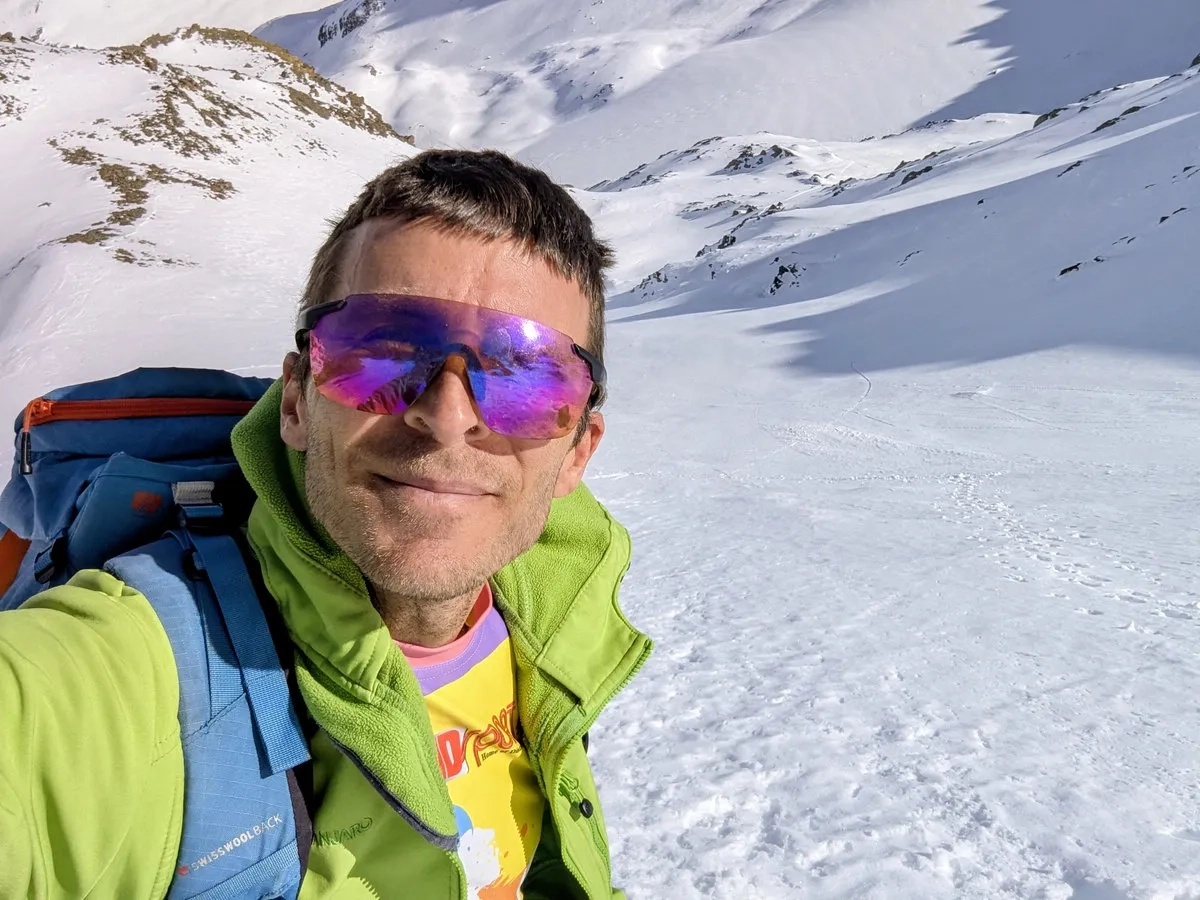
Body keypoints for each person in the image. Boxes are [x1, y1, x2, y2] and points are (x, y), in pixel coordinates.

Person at [0, 149, 652, 899]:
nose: (447, 417)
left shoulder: (550, 630)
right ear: (296, 403)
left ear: (577, 452)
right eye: (383, 351)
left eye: (524, 377)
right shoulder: (136, 671)